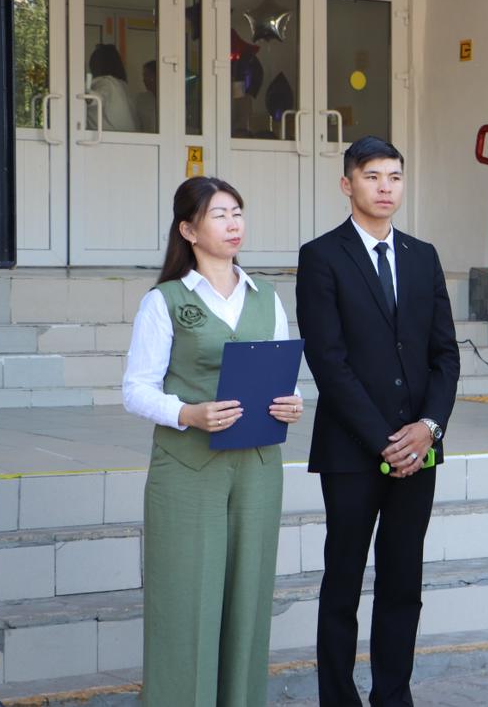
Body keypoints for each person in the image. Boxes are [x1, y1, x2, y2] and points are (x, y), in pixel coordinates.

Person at [122, 176, 304, 706]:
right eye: (220, 214)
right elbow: (135, 389)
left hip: (257, 465)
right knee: (186, 603)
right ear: (189, 229)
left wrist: (293, 402)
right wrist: (187, 413)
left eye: (238, 213)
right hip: (188, 470)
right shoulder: (166, 301)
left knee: (248, 601)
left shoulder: (265, 295)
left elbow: (282, 373)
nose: (233, 223)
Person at [296, 135, 460, 706]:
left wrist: (428, 428)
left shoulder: (423, 256)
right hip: (351, 451)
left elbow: (446, 355)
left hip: (421, 447)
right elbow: (329, 362)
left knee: (402, 584)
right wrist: (385, 442)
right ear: (347, 184)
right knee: (342, 584)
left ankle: (394, 695)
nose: (384, 187)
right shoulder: (320, 257)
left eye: (393, 176)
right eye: (371, 176)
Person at [87, 43, 140, 132]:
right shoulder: (123, 86)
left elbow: (97, 98)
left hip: (108, 140)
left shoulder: (106, 82)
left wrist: (85, 95)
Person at [135, 59, 159, 132]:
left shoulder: (172, 99)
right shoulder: (141, 99)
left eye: (147, 75)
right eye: (144, 76)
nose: (144, 80)